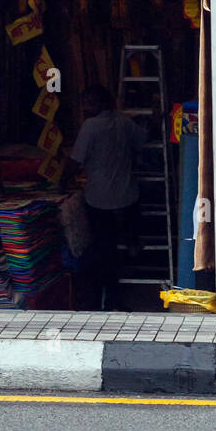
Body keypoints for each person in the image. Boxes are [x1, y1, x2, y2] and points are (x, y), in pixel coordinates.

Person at [66, 84, 147, 311]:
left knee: (104, 248)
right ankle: (132, 249)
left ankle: (107, 297)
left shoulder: (90, 127)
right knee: (121, 240)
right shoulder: (124, 122)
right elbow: (142, 140)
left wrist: (60, 180)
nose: (84, 107)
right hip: (127, 195)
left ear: (98, 104)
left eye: (88, 103)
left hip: (99, 199)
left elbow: (75, 161)